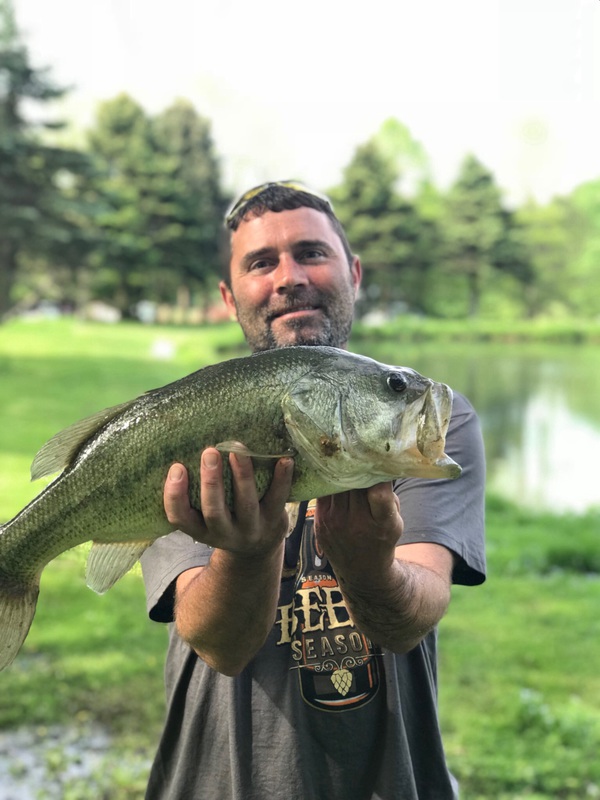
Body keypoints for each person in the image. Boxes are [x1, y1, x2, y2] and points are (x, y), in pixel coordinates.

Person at [140, 181, 486, 800]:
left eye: (311, 253)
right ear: (229, 297)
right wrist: (248, 552)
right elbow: (218, 644)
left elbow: (410, 621)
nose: (289, 277)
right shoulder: (181, 428)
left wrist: (369, 566)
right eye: (260, 262)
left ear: (353, 272)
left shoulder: (422, 422)